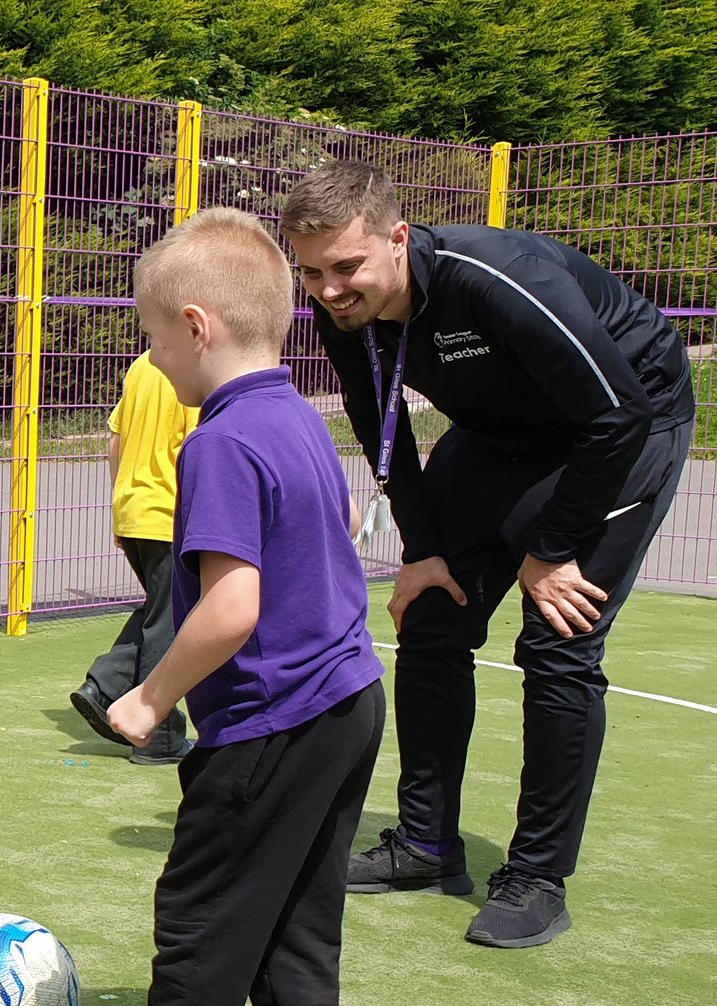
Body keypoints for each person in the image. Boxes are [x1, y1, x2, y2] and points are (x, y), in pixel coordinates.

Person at [281, 161, 694, 948]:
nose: (330, 290)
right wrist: (423, 548)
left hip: (623, 425)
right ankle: (427, 844)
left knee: (558, 641)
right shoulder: (346, 318)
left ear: (397, 239)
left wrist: (550, 548)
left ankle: (538, 875)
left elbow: (619, 413)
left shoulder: (496, 280)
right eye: (311, 272)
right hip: (501, 434)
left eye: (346, 267)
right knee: (432, 617)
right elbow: (383, 431)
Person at [55, 207, 385, 1006]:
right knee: (293, 915)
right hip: (347, 701)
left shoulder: (220, 443)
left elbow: (231, 607)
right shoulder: (297, 419)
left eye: (153, 341)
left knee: (202, 913)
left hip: (272, 722)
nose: (151, 362)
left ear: (196, 327)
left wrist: (150, 697)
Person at [69, 352, 199, 764]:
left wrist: (120, 506)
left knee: (161, 612)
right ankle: (158, 735)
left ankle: (106, 683)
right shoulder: (194, 368)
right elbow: (200, 447)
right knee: (170, 622)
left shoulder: (144, 364)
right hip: (169, 513)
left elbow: (116, 439)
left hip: (134, 508)